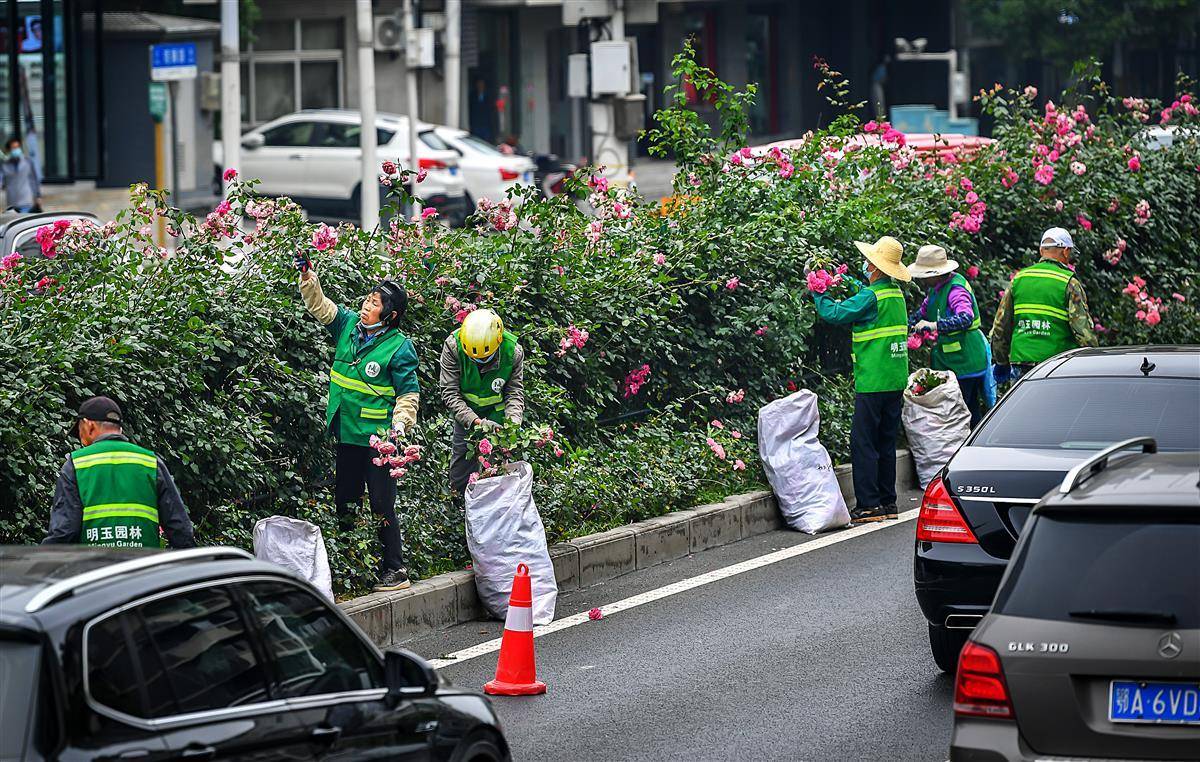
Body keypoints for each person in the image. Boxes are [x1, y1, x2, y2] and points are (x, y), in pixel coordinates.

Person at [299, 267, 420, 591]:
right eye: (368, 299)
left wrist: (399, 429)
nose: (367, 306)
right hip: (346, 430)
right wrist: (310, 279)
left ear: (390, 315)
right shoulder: (348, 325)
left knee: (381, 503)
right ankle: (350, 563)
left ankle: (395, 569)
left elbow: (408, 394)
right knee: (345, 499)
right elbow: (321, 306)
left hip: (379, 440)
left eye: (375, 303)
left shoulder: (399, 347)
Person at [812, 236, 911, 524]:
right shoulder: (894, 294)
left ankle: (868, 505)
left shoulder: (870, 297)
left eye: (869, 263)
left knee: (863, 441)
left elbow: (835, 312)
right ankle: (888, 502)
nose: (866, 266)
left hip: (873, 380)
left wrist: (819, 291)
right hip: (895, 378)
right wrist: (849, 283)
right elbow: (865, 297)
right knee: (885, 441)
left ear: (877, 268)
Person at [43, 396, 195, 548]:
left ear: (89, 426)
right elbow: (180, 530)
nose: (81, 440)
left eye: (79, 431)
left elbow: (63, 532)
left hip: (96, 569)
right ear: (120, 429)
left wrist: (36, 565)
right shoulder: (150, 462)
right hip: (144, 568)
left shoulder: (76, 464)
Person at [989, 227, 1097, 380]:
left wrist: (1001, 361)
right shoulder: (1069, 282)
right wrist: (1094, 361)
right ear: (1066, 251)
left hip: (1021, 362)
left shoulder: (1019, 279)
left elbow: (1000, 326)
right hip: (1057, 365)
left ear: (1041, 251)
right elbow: (1082, 331)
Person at [438, 308, 525, 495]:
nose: (479, 362)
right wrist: (477, 422)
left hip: (498, 416)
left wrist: (513, 424)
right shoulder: (454, 346)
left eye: (485, 358)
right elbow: (450, 392)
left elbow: (514, 393)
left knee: (497, 472)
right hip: (467, 415)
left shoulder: (513, 352)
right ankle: (459, 508)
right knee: (461, 469)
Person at [908, 245, 991, 426]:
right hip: (951, 361)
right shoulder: (936, 290)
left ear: (935, 274)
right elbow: (921, 313)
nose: (922, 279)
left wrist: (933, 325)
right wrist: (906, 325)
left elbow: (965, 318)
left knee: (965, 412)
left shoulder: (955, 290)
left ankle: (969, 450)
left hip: (966, 360)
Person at [2, 136, 42, 213]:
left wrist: (38, 196)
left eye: (17, 147)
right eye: (13, 148)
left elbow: (33, 180)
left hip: (26, 201)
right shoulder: (5, 165)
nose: (16, 150)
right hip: (12, 202)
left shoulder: (28, 162)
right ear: (9, 150)